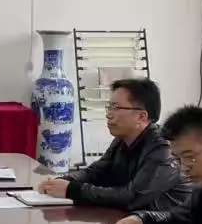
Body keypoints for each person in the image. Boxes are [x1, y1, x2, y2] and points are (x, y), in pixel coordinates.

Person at [37, 77, 191, 213]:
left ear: (141, 116)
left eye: (116, 108)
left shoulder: (164, 149)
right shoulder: (122, 140)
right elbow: (95, 173)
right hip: (132, 222)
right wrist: (64, 180)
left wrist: (72, 190)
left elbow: (133, 197)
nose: (109, 114)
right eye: (109, 107)